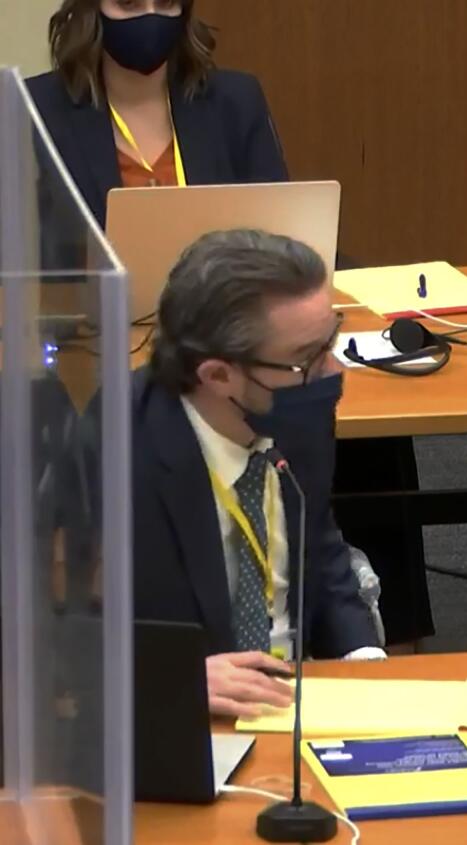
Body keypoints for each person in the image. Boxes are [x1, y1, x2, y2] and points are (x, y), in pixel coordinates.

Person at [131, 229, 384, 717]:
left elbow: (317, 539)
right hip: (187, 721)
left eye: (330, 342)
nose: (332, 371)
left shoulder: (290, 405)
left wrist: (363, 656)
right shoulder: (115, 456)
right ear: (218, 375)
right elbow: (55, 640)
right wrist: (167, 681)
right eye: (308, 359)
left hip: (300, 705)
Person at [27, 0, 286, 227]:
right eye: (128, 3)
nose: (150, 18)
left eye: (165, 3)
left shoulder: (236, 102)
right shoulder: (36, 110)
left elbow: (280, 232)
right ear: (92, 9)